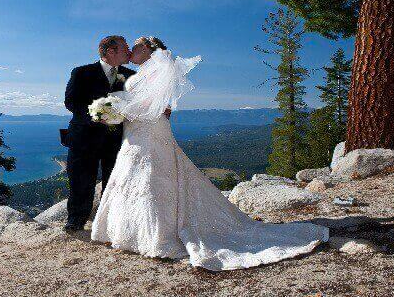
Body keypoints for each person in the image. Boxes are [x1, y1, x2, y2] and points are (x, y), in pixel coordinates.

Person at [90, 36, 329, 270]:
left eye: (136, 47)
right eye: (129, 48)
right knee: (132, 175)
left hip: (150, 130)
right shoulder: (139, 73)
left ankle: (157, 235)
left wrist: (118, 108)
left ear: (150, 50)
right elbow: (150, 103)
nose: (131, 51)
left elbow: (154, 104)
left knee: (154, 177)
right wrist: (118, 109)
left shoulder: (159, 70)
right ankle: (128, 231)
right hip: (135, 132)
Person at [62, 36, 136, 232]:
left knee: (114, 180)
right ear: (111, 51)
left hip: (116, 138)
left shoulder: (130, 76)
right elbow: (72, 103)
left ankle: (108, 221)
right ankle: (76, 219)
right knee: (81, 179)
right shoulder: (82, 72)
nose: (129, 52)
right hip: (84, 137)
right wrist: (97, 114)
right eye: (125, 48)